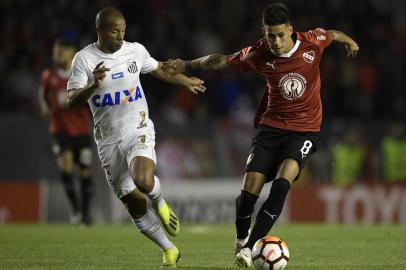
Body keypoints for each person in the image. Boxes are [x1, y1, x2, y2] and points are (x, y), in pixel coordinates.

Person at [172, 2, 359, 267]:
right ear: (264, 32)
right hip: (271, 128)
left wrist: (350, 41)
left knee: (283, 183)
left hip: (305, 130)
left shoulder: (311, 43)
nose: (276, 41)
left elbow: (332, 34)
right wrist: (187, 63)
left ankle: (248, 249)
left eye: (281, 35)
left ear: (291, 30)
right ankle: (241, 239)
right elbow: (221, 61)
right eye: (271, 35)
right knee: (249, 191)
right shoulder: (259, 52)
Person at [66, 7, 205, 268]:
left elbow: (160, 70)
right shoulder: (83, 60)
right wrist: (92, 86)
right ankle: (169, 250)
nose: (120, 36)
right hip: (107, 140)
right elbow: (71, 100)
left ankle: (160, 201)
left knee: (143, 179)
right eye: (114, 31)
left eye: (123, 31)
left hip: (137, 128)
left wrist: (185, 81)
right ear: (100, 30)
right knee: (135, 206)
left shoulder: (135, 51)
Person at [39, 38, 94, 225]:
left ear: (72, 53)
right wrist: (44, 105)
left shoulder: (81, 75)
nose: (57, 55)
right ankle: (76, 209)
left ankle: (85, 214)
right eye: (55, 52)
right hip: (59, 130)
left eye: (60, 51)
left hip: (81, 130)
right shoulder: (49, 75)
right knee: (66, 167)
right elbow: (42, 92)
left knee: (85, 172)